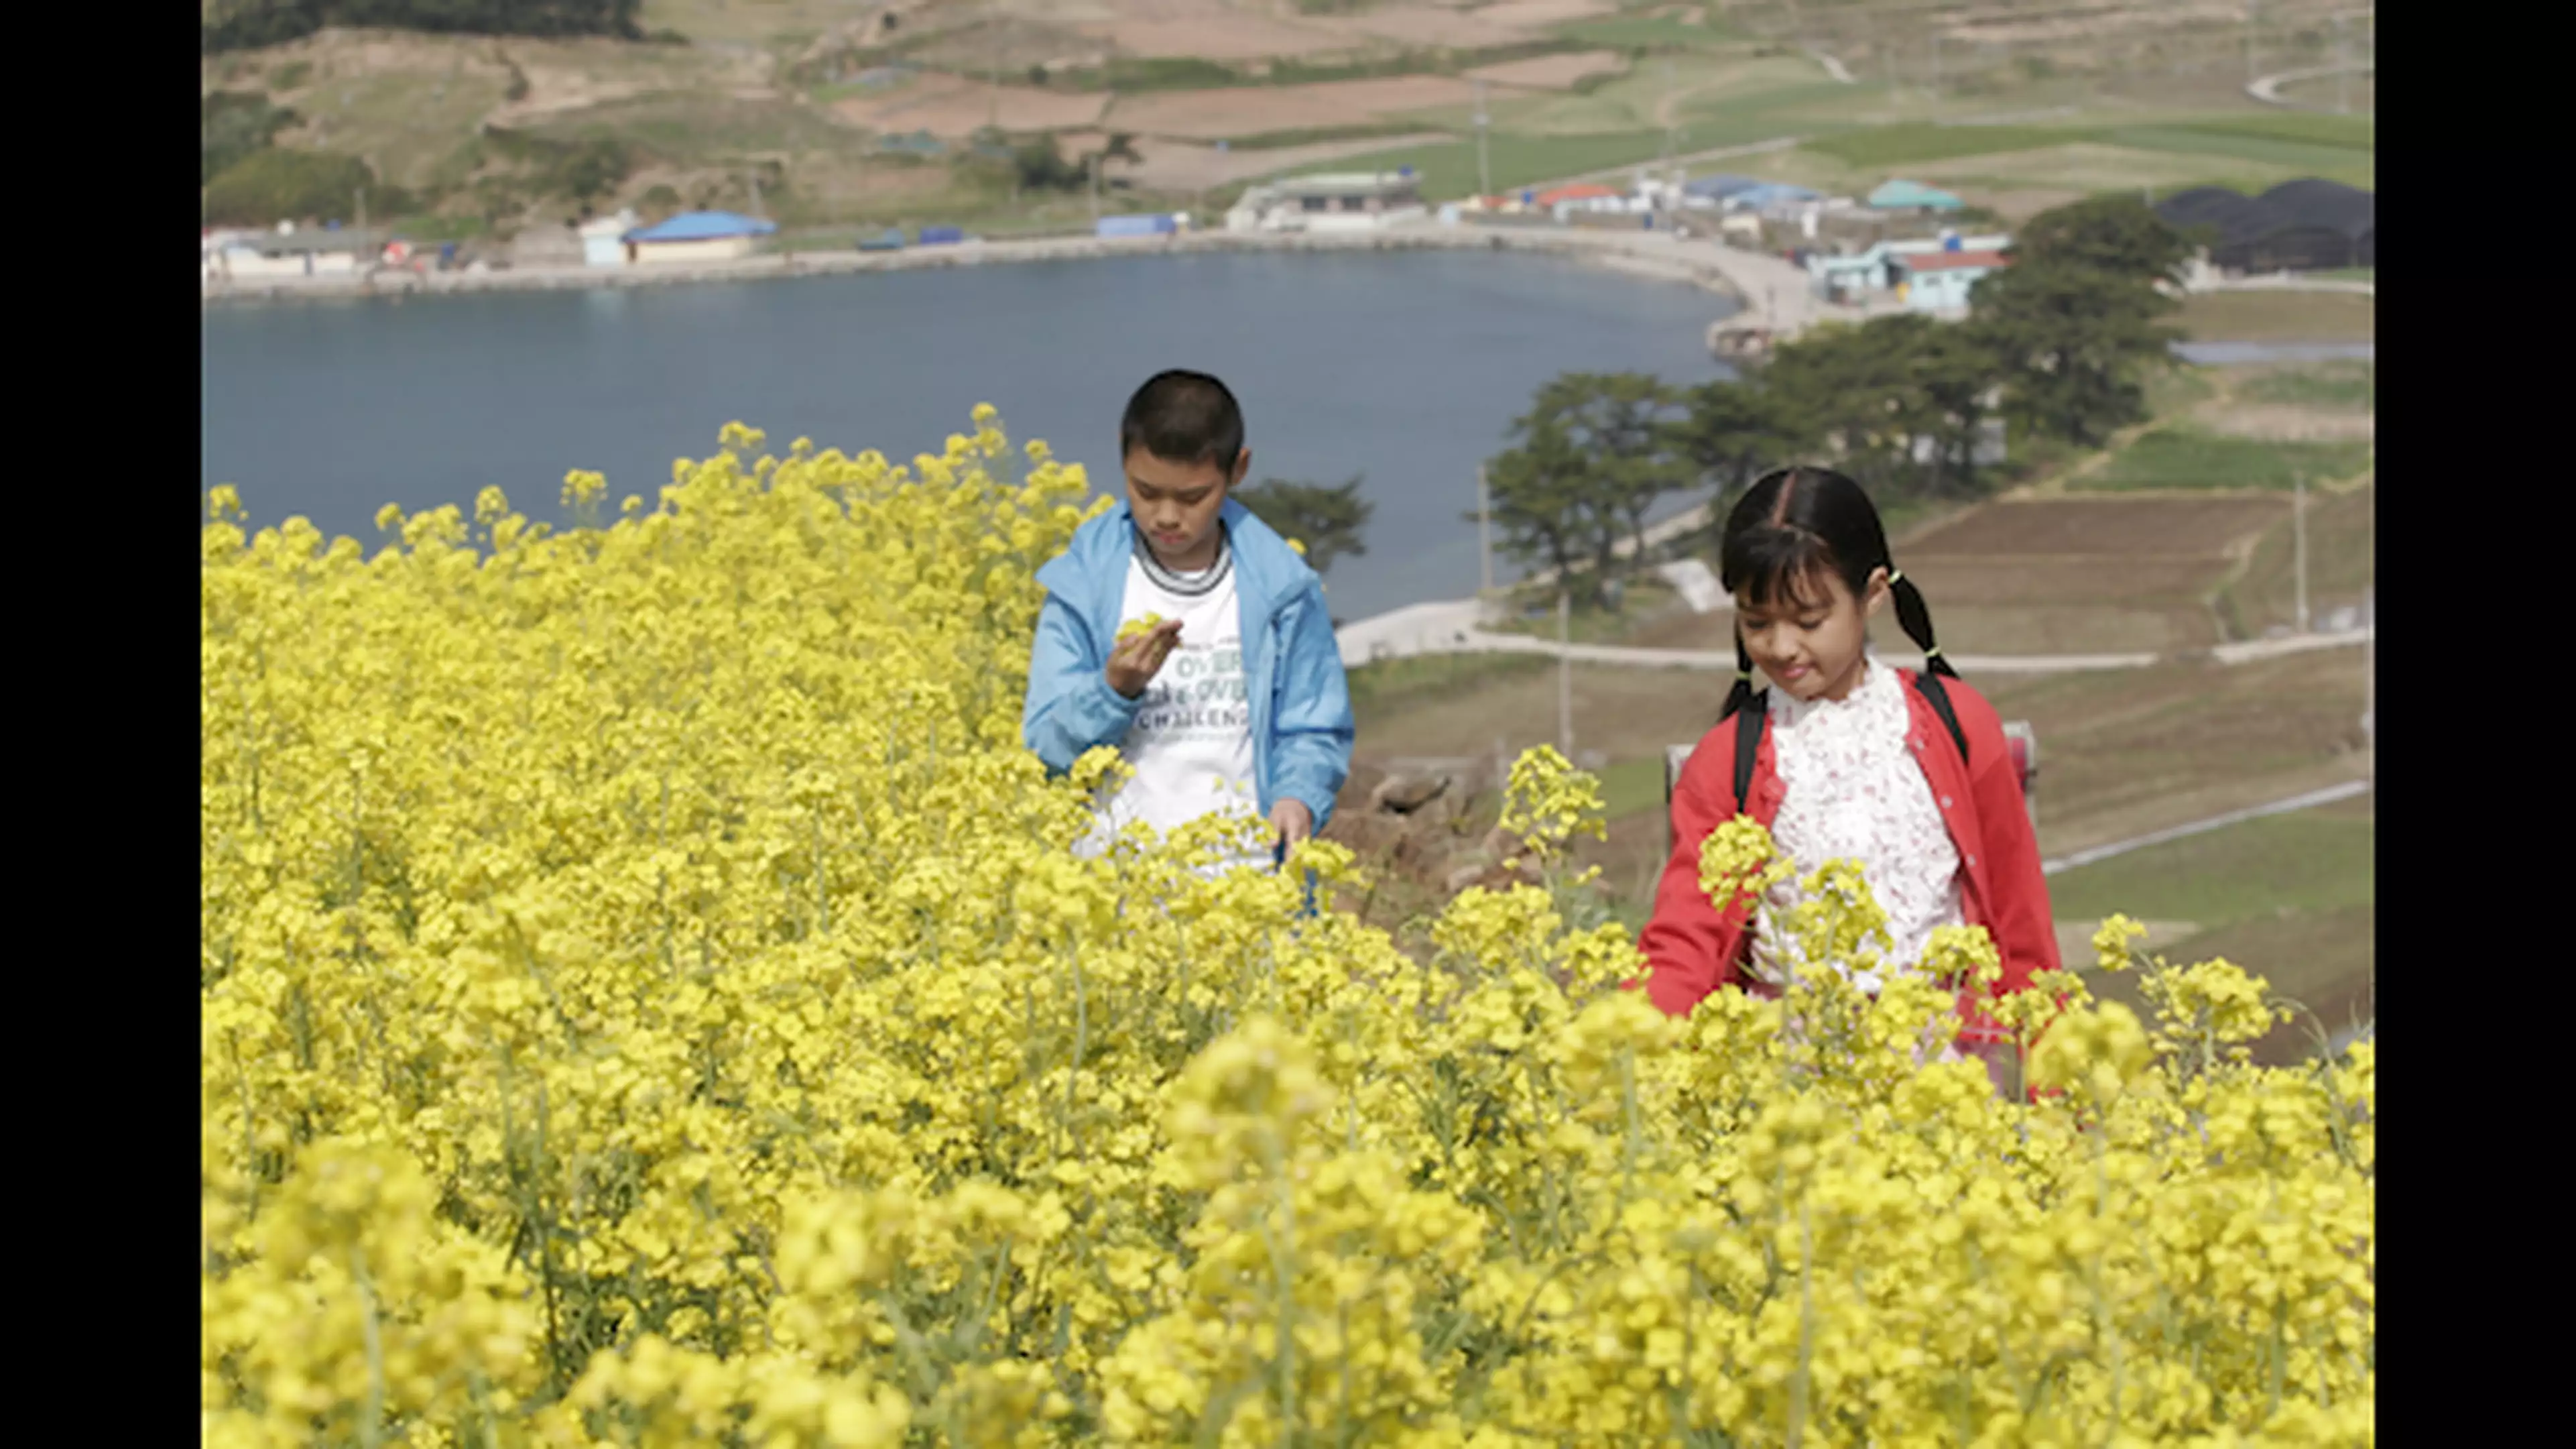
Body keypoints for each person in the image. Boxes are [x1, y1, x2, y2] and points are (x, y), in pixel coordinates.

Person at [1636, 465, 2058, 1090]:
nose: (1781, 647)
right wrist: (1621, 1063)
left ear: (1874, 593)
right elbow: (1686, 943)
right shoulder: (1726, 761)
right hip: (1792, 1088)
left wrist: (2071, 1106)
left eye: (1808, 621)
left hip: (1947, 1085)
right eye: (1756, 622)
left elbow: (2020, 925)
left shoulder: (1959, 725)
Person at [1023, 369, 1353, 874]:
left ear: (1238, 469)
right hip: (1108, 889)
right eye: (1146, 491)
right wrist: (1112, 690)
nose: (1166, 516)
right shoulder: (1084, 585)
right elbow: (1045, 748)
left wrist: (1298, 796)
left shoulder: (1282, 588)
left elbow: (1313, 725)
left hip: (1247, 885)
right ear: (1121, 455)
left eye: (1192, 497)